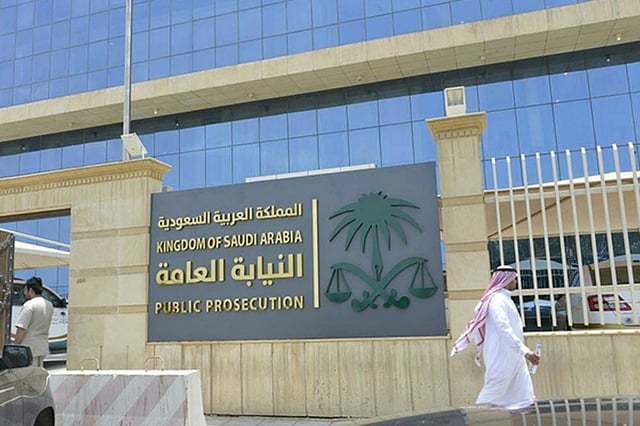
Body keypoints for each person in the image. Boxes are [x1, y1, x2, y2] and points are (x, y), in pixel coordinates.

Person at [450, 265, 540, 410]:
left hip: (515, 356)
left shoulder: (506, 299)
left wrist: (522, 352)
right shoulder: (497, 300)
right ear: (506, 280)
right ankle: (478, 418)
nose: (515, 282)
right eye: (514, 279)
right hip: (501, 355)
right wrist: (525, 351)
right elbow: (504, 329)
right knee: (493, 390)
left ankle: (525, 417)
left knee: (524, 393)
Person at [15, 276, 53, 367]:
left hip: (29, 348)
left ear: (31, 290)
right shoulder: (49, 305)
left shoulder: (29, 305)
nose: (24, 293)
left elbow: (21, 329)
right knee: (38, 374)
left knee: (27, 375)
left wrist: (16, 347)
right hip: (42, 347)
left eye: (25, 290)